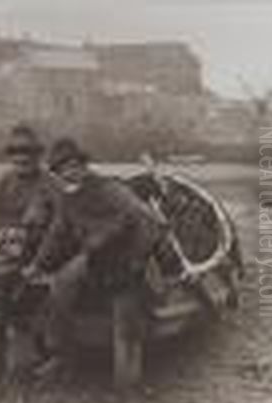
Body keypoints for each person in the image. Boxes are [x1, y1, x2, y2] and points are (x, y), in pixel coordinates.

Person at [22, 138, 165, 369]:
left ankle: (66, 349)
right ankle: (58, 349)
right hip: (94, 253)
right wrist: (37, 265)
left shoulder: (109, 189)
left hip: (125, 251)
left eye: (73, 166)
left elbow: (142, 218)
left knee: (110, 288)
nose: (69, 172)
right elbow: (55, 236)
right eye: (62, 169)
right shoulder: (68, 200)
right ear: (58, 173)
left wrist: (137, 256)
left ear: (83, 165)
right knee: (62, 284)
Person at [0, 124, 55, 374]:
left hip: (42, 251)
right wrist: (2, 233)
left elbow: (61, 222)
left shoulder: (50, 183)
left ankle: (46, 354)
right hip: (9, 248)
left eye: (27, 152)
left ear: (37, 156)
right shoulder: (5, 181)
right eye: (16, 152)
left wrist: (33, 236)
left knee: (34, 292)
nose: (22, 158)